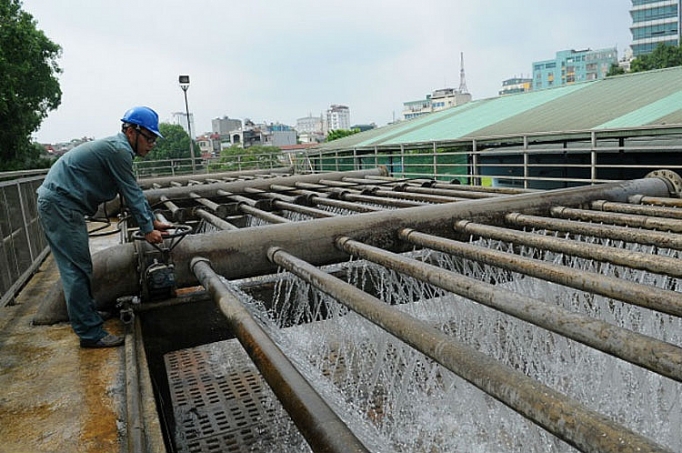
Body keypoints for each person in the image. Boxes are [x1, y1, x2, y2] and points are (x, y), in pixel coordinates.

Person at [37, 106, 171, 348]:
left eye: (154, 139)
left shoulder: (118, 149)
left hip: (62, 205)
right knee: (76, 270)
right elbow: (130, 192)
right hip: (61, 206)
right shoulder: (118, 150)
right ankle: (90, 334)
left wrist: (151, 221)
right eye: (149, 138)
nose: (152, 144)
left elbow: (133, 192)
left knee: (81, 267)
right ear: (131, 131)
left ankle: (88, 315)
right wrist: (147, 229)